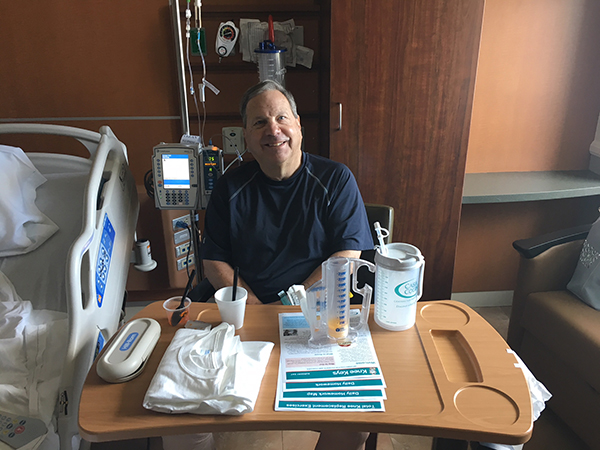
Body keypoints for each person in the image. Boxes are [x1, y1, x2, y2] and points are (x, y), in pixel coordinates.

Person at [196, 80, 372, 450]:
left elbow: (346, 256)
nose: (272, 130)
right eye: (259, 122)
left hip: (318, 312)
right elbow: (214, 260)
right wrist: (258, 311)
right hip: (246, 310)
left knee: (355, 422)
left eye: (281, 117)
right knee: (188, 401)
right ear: (246, 135)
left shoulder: (335, 179)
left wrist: (293, 307)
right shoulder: (231, 187)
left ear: (298, 126)